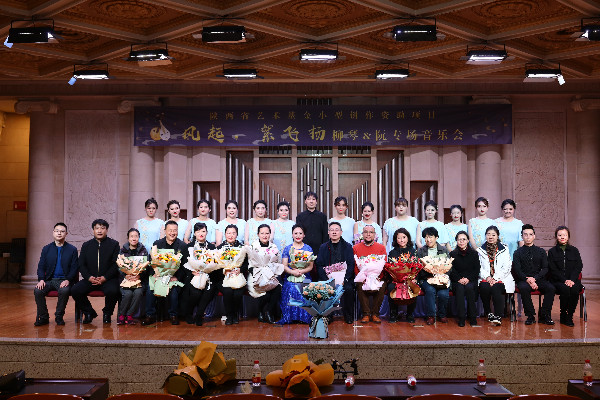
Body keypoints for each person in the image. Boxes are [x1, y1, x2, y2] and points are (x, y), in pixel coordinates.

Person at [71, 219, 120, 324]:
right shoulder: (86, 245)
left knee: (114, 291)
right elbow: (81, 264)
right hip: (90, 279)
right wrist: (89, 277)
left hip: (108, 279)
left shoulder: (114, 244)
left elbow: (116, 264)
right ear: (93, 230)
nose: (99, 230)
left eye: (102, 228)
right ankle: (89, 312)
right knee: (75, 290)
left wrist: (105, 278)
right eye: (97, 228)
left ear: (107, 230)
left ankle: (107, 313)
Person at [142, 220, 188, 325]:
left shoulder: (182, 246)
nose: (172, 233)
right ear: (165, 231)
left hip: (173, 277)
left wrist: (176, 277)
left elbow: (185, 266)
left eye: (175, 230)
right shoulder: (157, 244)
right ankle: (149, 315)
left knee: (174, 291)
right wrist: (154, 273)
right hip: (158, 275)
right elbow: (151, 261)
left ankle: (173, 315)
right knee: (150, 289)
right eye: (170, 230)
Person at [33, 222, 79, 326]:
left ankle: (59, 316)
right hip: (49, 280)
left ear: (66, 234)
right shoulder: (46, 249)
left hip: (64, 280)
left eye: (62, 231)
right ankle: (44, 317)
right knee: (38, 290)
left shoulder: (72, 249)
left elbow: (74, 268)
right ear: (53, 232)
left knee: (64, 290)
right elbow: (41, 266)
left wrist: (68, 280)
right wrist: (41, 280)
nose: (59, 233)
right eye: (57, 231)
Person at [512, 224, 555, 325]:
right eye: (525, 234)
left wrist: (534, 279)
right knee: (523, 288)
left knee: (551, 288)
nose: (528, 237)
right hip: (523, 279)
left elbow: (545, 268)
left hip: (539, 278)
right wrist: (528, 279)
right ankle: (530, 315)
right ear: (522, 236)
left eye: (530, 234)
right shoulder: (517, 252)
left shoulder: (541, 251)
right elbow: (517, 270)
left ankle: (544, 315)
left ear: (534, 236)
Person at [316, 221, 356, 324]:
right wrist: (327, 280)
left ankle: (348, 315)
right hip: (328, 279)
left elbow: (351, 264)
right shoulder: (323, 247)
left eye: (336, 230)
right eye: (332, 230)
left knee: (348, 289)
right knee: (325, 288)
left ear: (341, 232)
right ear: (328, 232)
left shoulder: (348, 246)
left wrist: (345, 279)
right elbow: (319, 265)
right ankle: (328, 315)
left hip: (344, 279)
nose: (334, 232)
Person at [476, 225, 515, 326]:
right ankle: (488, 313)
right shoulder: (480, 250)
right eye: (488, 234)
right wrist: (488, 277)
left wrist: (495, 278)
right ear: (485, 236)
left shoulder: (504, 249)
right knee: (484, 287)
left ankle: (498, 315)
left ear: (497, 236)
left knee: (496, 288)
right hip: (485, 278)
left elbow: (507, 267)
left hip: (501, 278)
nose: (491, 237)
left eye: (493, 235)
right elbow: (478, 267)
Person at [182, 222, 217, 326]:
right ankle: (189, 314)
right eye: (198, 231)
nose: (201, 234)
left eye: (203, 231)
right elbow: (183, 263)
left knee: (208, 292)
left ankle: (199, 315)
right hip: (193, 276)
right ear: (194, 233)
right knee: (195, 292)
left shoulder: (212, 247)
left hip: (208, 276)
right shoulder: (189, 246)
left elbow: (216, 262)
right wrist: (192, 272)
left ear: (207, 232)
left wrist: (209, 270)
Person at [247, 224, 282, 324]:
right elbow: (250, 264)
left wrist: (270, 271)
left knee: (277, 288)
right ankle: (260, 311)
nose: (265, 235)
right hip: (256, 275)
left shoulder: (274, 247)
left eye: (267, 233)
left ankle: (269, 312)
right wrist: (260, 273)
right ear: (258, 234)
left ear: (270, 234)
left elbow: (278, 262)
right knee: (264, 292)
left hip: (270, 274)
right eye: (262, 233)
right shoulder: (253, 246)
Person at [548, 226, 583, 327]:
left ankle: (569, 316)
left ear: (568, 237)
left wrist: (571, 280)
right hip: (558, 281)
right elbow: (552, 269)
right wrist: (565, 280)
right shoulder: (552, 251)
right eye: (560, 235)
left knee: (575, 289)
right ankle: (563, 313)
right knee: (565, 289)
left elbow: (578, 266)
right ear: (556, 237)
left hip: (573, 280)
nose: (562, 237)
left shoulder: (574, 250)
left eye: (565, 235)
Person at [278, 224, 313, 325]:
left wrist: (302, 271)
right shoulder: (287, 248)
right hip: (290, 276)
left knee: (304, 287)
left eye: (300, 233)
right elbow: (284, 266)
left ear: (304, 235)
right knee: (291, 287)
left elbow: (310, 267)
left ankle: (304, 317)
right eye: (295, 233)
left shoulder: (308, 248)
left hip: (305, 276)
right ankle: (290, 317)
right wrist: (293, 272)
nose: (298, 235)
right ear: (292, 235)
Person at [416, 227, 450, 325]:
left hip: (442, 278)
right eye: (426, 237)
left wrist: (442, 275)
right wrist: (428, 275)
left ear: (436, 237)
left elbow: (449, 266)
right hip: (426, 278)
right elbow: (418, 268)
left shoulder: (444, 250)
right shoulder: (421, 251)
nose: (428, 240)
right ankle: (430, 316)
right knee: (430, 291)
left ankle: (442, 315)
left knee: (443, 294)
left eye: (430, 237)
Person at [353, 225, 387, 323]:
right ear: (362, 234)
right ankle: (366, 314)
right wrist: (362, 277)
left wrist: (378, 277)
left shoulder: (381, 248)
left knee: (382, 284)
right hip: (363, 276)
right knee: (359, 284)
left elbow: (384, 264)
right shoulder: (356, 248)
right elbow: (355, 266)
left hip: (377, 276)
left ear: (375, 235)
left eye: (371, 232)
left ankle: (375, 314)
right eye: (366, 232)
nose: (368, 234)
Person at [116, 228, 149, 325]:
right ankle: (122, 315)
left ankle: (130, 315)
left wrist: (139, 276)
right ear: (128, 238)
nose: (134, 238)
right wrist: (126, 275)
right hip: (125, 280)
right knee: (128, 294)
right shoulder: (122, 251)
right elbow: (118, 267)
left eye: (136, 236)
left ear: (139, 238)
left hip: (139, 280)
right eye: (131, 236)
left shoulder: (144, 251)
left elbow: (147, 268)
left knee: (138, 292)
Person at [217, 224, 248, 325]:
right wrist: (224, 271)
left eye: (233, 233)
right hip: (223, 278)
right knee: (228, 291)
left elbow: (247, 264)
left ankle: (235, 315)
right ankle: (229, 316)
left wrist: (240, 269)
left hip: (238, 276)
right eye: (228, 233)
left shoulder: (242, 248)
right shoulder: (220, 248)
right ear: (225, 234)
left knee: (238, 293)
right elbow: (215, 266)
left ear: (237, 234)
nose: (231, 235)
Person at [448, 231, 480, 327]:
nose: (461, 242)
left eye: (464, 239)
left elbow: (476, 270)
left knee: (470, 288)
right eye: (459, 240)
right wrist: (459, 279)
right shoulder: (452, 254)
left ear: (468, 241)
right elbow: (451, 270)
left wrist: (468, 279)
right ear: (456, 241)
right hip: (457, 280)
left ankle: (472, 317)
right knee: (459, 288)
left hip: (470, 280)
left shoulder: (474, 254)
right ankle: (461, 317)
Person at [387, 228, 417, 323]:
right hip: (396, 280)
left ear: (408, 238)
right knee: (391, 287)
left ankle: (410, 314)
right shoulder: (392, 252)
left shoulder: (413, 251)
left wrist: (413, 278)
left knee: (414, 287)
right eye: (399, 238)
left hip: (410, 279)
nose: (402, 240)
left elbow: (416, 267)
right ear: (396, 240)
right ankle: (393, 313)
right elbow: (390, 268)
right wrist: (395, 278)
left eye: (404, 237)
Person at [296, 191, 328, 267]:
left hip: (319, 249)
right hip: (303, 249)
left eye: (313, 199)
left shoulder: (322, 216)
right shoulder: (300, 216)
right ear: (305, 201)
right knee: (303, 270)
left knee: (319, 270)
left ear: (316, 202)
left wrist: (324, 249)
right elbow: (298, 233)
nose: (311, 201)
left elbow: (325, 234)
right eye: (309, 199)